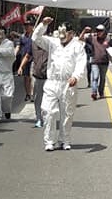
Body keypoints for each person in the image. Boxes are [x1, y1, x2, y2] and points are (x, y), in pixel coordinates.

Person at [32, 17, 85, 151]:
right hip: (52, 82)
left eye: (65, 33)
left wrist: (76, 76)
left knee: (67, 114)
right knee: (48, 111)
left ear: (71, 33)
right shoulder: (52, 42)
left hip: (68, 84)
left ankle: (64, 139)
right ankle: (49, 141)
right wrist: (43, 25)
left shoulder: (77, 46)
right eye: (60, 32)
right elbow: (36, 38)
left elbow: (81, 63)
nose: (62, 36)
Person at [17, 37, 48, 128]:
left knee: (48, 98)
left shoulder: (50, 43)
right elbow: (27, 56)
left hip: (49, 76)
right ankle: (39, 118)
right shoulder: (33, 44)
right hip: (36, 74)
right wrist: (21, 67)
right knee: (37, 98)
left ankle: (47, 117)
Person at [81, 24, 112, 100]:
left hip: (105, 62)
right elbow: (81, 39)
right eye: (97, 31)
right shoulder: (92, 39)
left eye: (100, 31)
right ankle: (94, 92)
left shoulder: (108, 40)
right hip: (95, 62)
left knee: (102, 79)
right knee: (95, 77)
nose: (99, 32)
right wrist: (84, 31)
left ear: (104, 32)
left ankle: (101, 92)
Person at [17, 20, 34, 101]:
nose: (27, 27)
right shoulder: (22, 37)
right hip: (24, 59)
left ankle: (32, 93)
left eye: (28, 25)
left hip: (33, 59)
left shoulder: (35, 36)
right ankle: (27, 94)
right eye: (25, 25)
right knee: (26, 77)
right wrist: (14, 54)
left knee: (31, 77)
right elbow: (18, 47)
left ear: (32, 26)